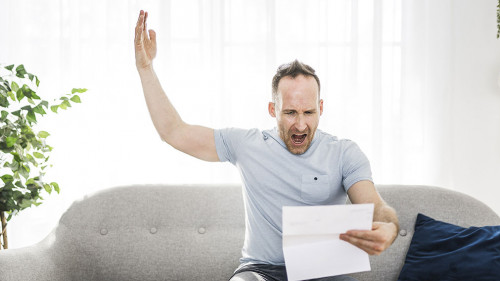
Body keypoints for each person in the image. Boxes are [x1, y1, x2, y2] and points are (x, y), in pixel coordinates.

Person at [134, 10, 399, 281]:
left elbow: (374, 204)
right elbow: (174, 132)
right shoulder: (248, 145)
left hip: (323, 273)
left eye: (308, 112)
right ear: (273, 109)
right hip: (259, 271)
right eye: (290, 112)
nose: (300, 125)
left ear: (321, 108)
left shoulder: (344, 153)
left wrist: (388, 225)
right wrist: (146, 69)